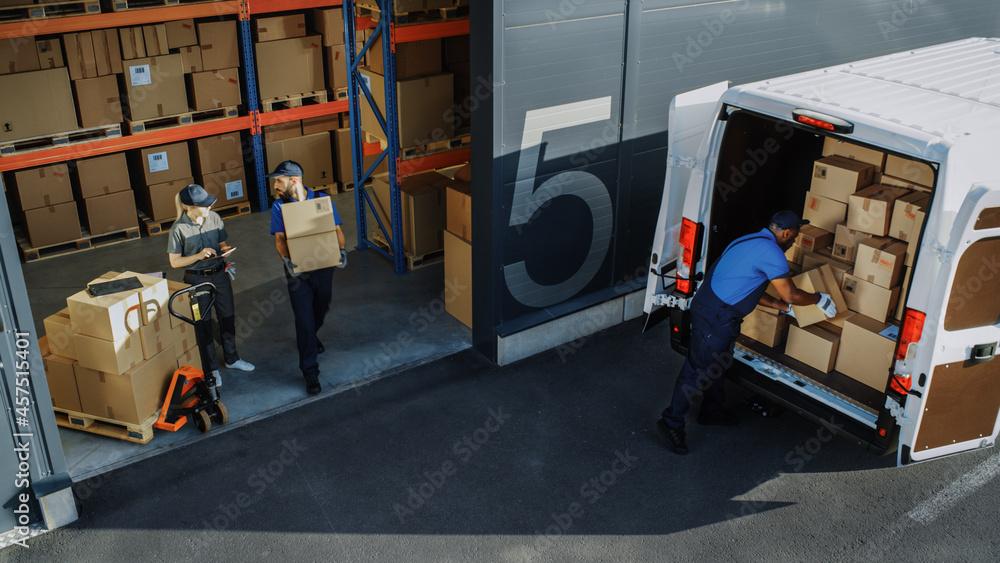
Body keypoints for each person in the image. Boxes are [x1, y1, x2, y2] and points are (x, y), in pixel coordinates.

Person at [657, 210, 837, 455]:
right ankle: (671, 422)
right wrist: (818, 299)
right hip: (716, 317)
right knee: (697, 369)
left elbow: (747, 288)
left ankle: (712, 411)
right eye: (795, 235)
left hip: (713, 310)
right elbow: (792, 294)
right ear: (786, 232)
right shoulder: (772, 253)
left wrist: (782, 308)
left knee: (719, 362)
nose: (795, 241)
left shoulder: (747, 240)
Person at [268, 160, 347, 395]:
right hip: (297, 270)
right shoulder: (280, 206)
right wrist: (286, 261)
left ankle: (312, 335)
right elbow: (280, 238)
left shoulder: (321, 200)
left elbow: (336, 230)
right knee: (304, 318)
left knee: (321, 308)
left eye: (279, 180)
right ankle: (310, 371)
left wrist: (342, 251)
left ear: (294, 180)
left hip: (323, 266)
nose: (275, 186)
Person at [167, 184, 255, 385]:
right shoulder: (178, 229)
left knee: (227, 317)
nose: (209, 207)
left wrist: (225, 250)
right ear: (189, 207)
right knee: (203, 324)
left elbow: (222, 243)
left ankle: (232, 359)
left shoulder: (214, 218)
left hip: (220, 274)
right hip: (196, 281)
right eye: (204, 205)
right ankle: (211, 369)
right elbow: (174, 262)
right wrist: (198, 255)